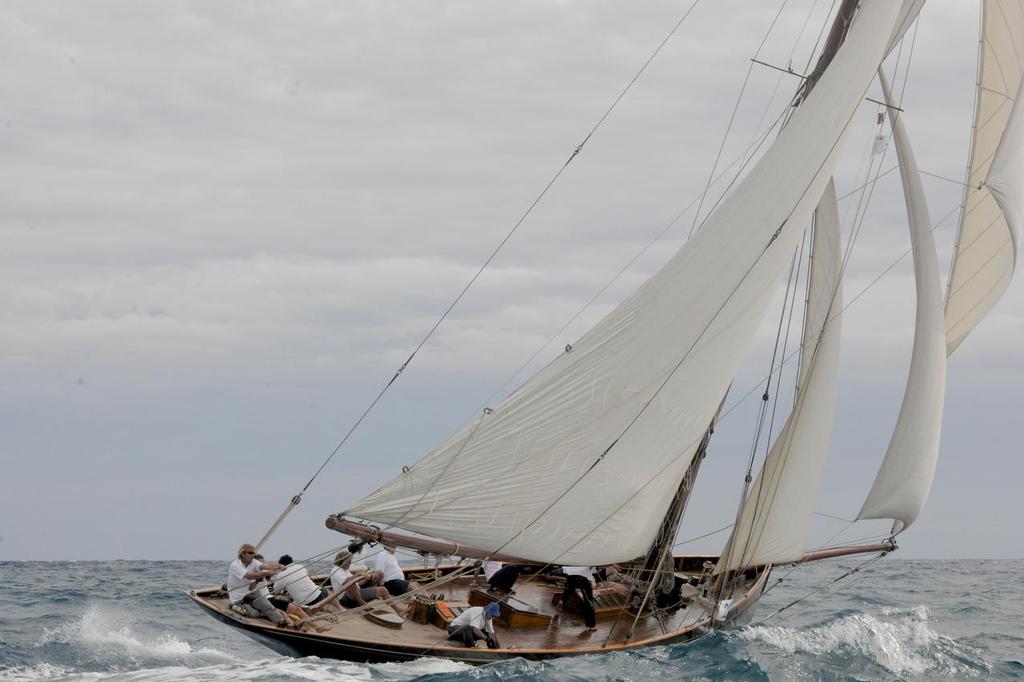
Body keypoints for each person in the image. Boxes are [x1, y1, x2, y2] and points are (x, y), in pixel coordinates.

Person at [226, 543, 287, 626]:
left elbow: (265, 566)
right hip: (238, 597)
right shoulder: (235, 565)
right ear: (243, 554)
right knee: (253, 614)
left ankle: (281, 623)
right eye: (250, 553)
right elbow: (249, 576)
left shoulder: (253, 562)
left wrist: (279, 566)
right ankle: (233, 606)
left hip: (251, 593)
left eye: (254, 553)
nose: (253, 555)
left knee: (269, 607)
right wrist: (265, 573)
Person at [329, 551, 404, 617]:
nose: (350, 563)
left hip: (355, 594)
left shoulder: (345, 570)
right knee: (382, 590)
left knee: (379, 574)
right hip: (346, 599)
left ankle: (398, 610)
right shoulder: (336, 570)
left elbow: (356, 583)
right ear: (343, 561)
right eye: (349, 562)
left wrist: (367, 577)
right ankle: (363, 604)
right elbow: (347, 581)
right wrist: (358, 575)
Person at [560, 565, 597, 632]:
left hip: (571, 576)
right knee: (589, 601)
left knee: (566, 594)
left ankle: (561, 602)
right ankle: (590, 625)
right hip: (582, 578)